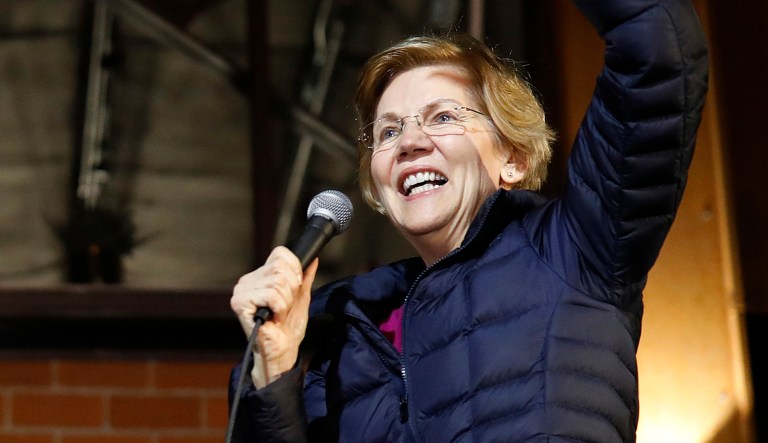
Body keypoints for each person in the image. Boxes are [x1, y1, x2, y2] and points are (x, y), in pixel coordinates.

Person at [229, 0, 709, 440]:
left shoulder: (576, 247)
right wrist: (274, 367)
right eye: (389, 130)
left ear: (514, 158)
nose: (409, 141)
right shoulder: (347, 340)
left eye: (441, 117)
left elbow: (658, 48)